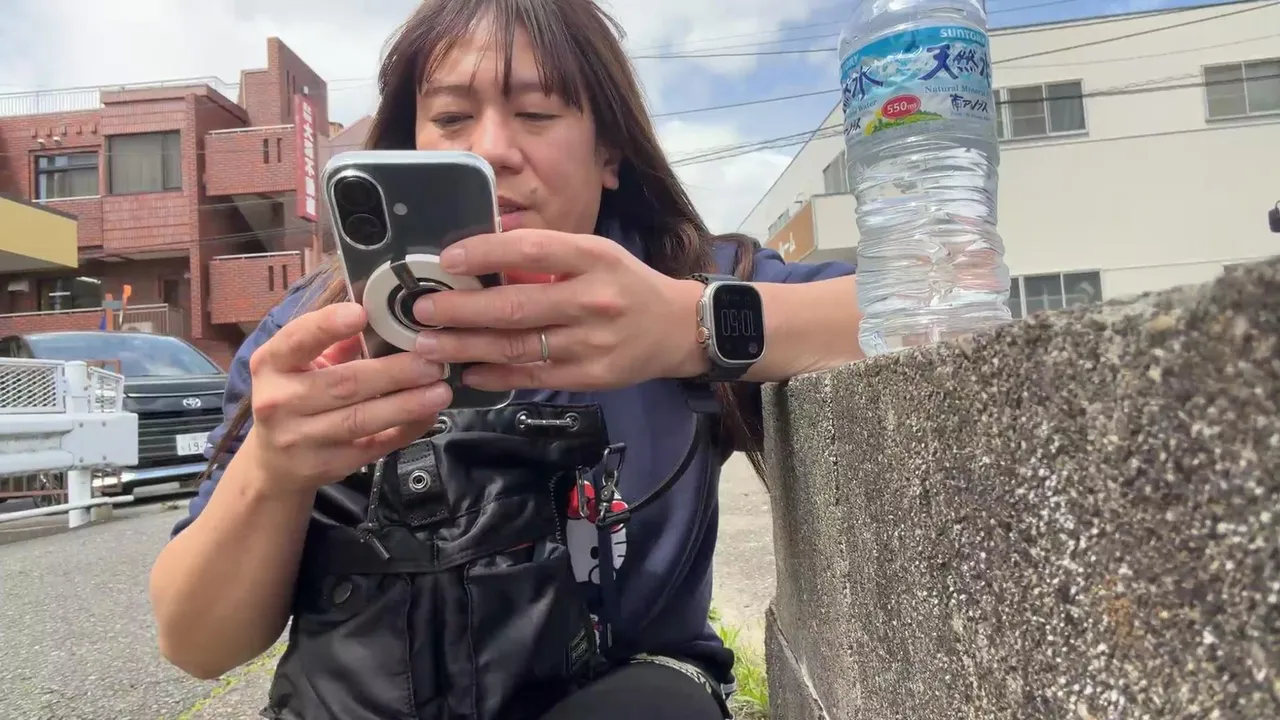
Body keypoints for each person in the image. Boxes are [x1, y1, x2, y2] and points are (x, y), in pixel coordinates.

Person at [148, 0, 861, 718]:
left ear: (608, 154)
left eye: (537, 113)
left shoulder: (685, 280)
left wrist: (691, 324)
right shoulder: (313, 331)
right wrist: (272, 469)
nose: (492, 149)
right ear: (411, 148)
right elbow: (197, 645)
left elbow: (907, 308)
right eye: (452, 118)